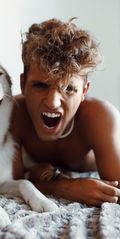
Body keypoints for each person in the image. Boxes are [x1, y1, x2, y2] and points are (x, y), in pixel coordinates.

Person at [11, 17, 120, 206]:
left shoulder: (99, 117)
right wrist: (66, 187)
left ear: (84, 91)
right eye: (40, 86)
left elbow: (116, 191)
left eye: (69, 89)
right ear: (22, 84)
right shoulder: (12, 114)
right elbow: (8, 184)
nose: (52, 103)